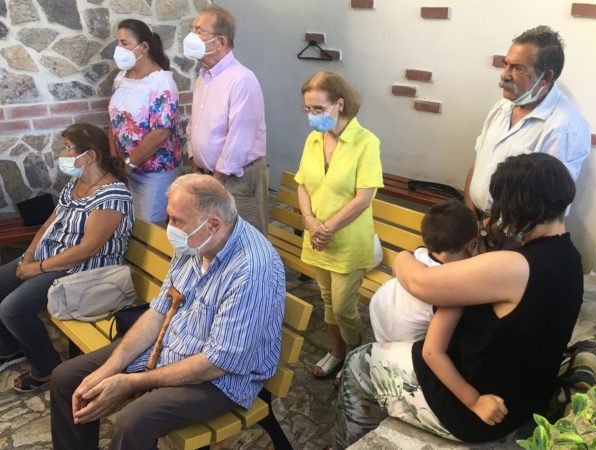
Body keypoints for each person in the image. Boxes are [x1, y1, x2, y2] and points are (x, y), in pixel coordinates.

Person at [335, 153, 583, 448]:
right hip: (525, 398)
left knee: (358, 362)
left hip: (475, 412)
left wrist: (402, 256)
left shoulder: (515, 266)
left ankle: (346, 442)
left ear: (519, 208)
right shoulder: (571, 257)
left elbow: (420, 283)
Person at [50, 174, 286, 450]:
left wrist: (131, 383)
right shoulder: (196, 240)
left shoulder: (252, 271)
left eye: (177, 220)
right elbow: (159, 311)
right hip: (172, 345)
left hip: (223, 379)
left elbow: (217, 363)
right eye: (169, 218)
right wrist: (110, 369)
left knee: (134, 421)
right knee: (67, 379)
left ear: (213, 224)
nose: (170, 228)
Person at [0, 123, 133, 393]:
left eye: (68, 148)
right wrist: (28, 256)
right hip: (52, 257)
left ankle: (47, 368)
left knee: (13, 308)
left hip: (83, 269)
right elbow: (49, 223)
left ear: (90, 155)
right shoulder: (77, 183)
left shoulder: (113, 194)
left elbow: (87, 250)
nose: (62, 153)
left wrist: (37, 268)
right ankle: (12, 347)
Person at [295, 71, 383, 380]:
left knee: (345, 308)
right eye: (308, 109)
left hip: (346, 241)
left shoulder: (366, 142)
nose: (312, 115)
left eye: (318, 109)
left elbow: (363, 198)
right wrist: (309, 221)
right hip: (317, 237)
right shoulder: (313, 140)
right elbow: (302, 183)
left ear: (339, 104)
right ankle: (337, 351)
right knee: (328, 300)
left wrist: (327, 228)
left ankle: (357, 358)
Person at [464, 25, 590, 219]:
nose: (504, 75)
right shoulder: (502, 107)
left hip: (512, 233)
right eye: (506, 64)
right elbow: (480, 162)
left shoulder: (563, 128)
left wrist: (491, 231)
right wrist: (470, 216)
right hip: (477, 221)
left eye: (517, 68)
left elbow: (547, 210)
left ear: (545, 77)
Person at [184, 6, 269, 235]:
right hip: (208, 176)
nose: (191, 36)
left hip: (236, 178)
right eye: (192, 29)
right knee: (215, 239)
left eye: (199, 31)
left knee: (246, 238)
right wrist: (196, 164)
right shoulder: (204, 76)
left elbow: (239, 140)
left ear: (220, 41)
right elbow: (195, 124)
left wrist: (215, 181)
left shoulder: (242, 80)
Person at [370, 200, 477, 343]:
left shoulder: (418, 253)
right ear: (471, 245)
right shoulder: (450, 285)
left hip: (380, 315)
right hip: (403, 341)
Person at [109, 18, 181, 223]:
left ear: (144, 47)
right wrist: (115, 159)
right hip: (125, 167)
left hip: (154, 171)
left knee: (149, 227)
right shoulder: (121, 78)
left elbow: (161, 132)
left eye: (125, 43)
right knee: (129, 223)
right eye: (118, 42)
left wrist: (130, 162)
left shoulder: (161, 82)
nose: (119, 49)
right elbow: (114, 120)